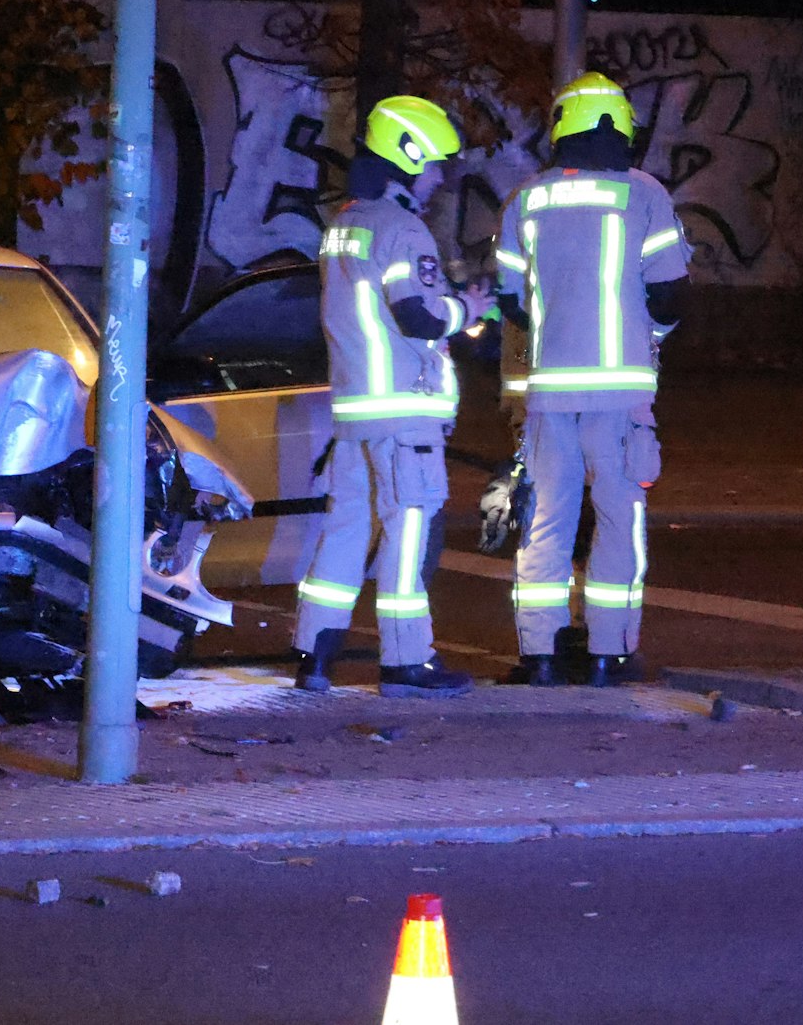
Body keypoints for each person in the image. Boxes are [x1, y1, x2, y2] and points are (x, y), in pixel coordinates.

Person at [492, 72, 689, 686]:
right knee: (618, 523)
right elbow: (671, 293)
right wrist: (647, 335)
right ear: (621, 126)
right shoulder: (646, 194)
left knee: (546, 523)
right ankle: (609, 653)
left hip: (550, 399)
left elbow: (509, 301)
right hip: (622, 399)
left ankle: (540, 655)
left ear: (563, 126)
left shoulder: (526, 199)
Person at [294, 96, 493, 698]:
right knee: (407, 535)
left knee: (345, 532)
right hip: (404, 413)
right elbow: (418, 317)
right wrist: (471, 309)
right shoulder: (403, 228)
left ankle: (313, 656)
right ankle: (408, 663)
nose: (437, 179)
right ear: (407, 156)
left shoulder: (343, 225)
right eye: (433, 165)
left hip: (355, 413)